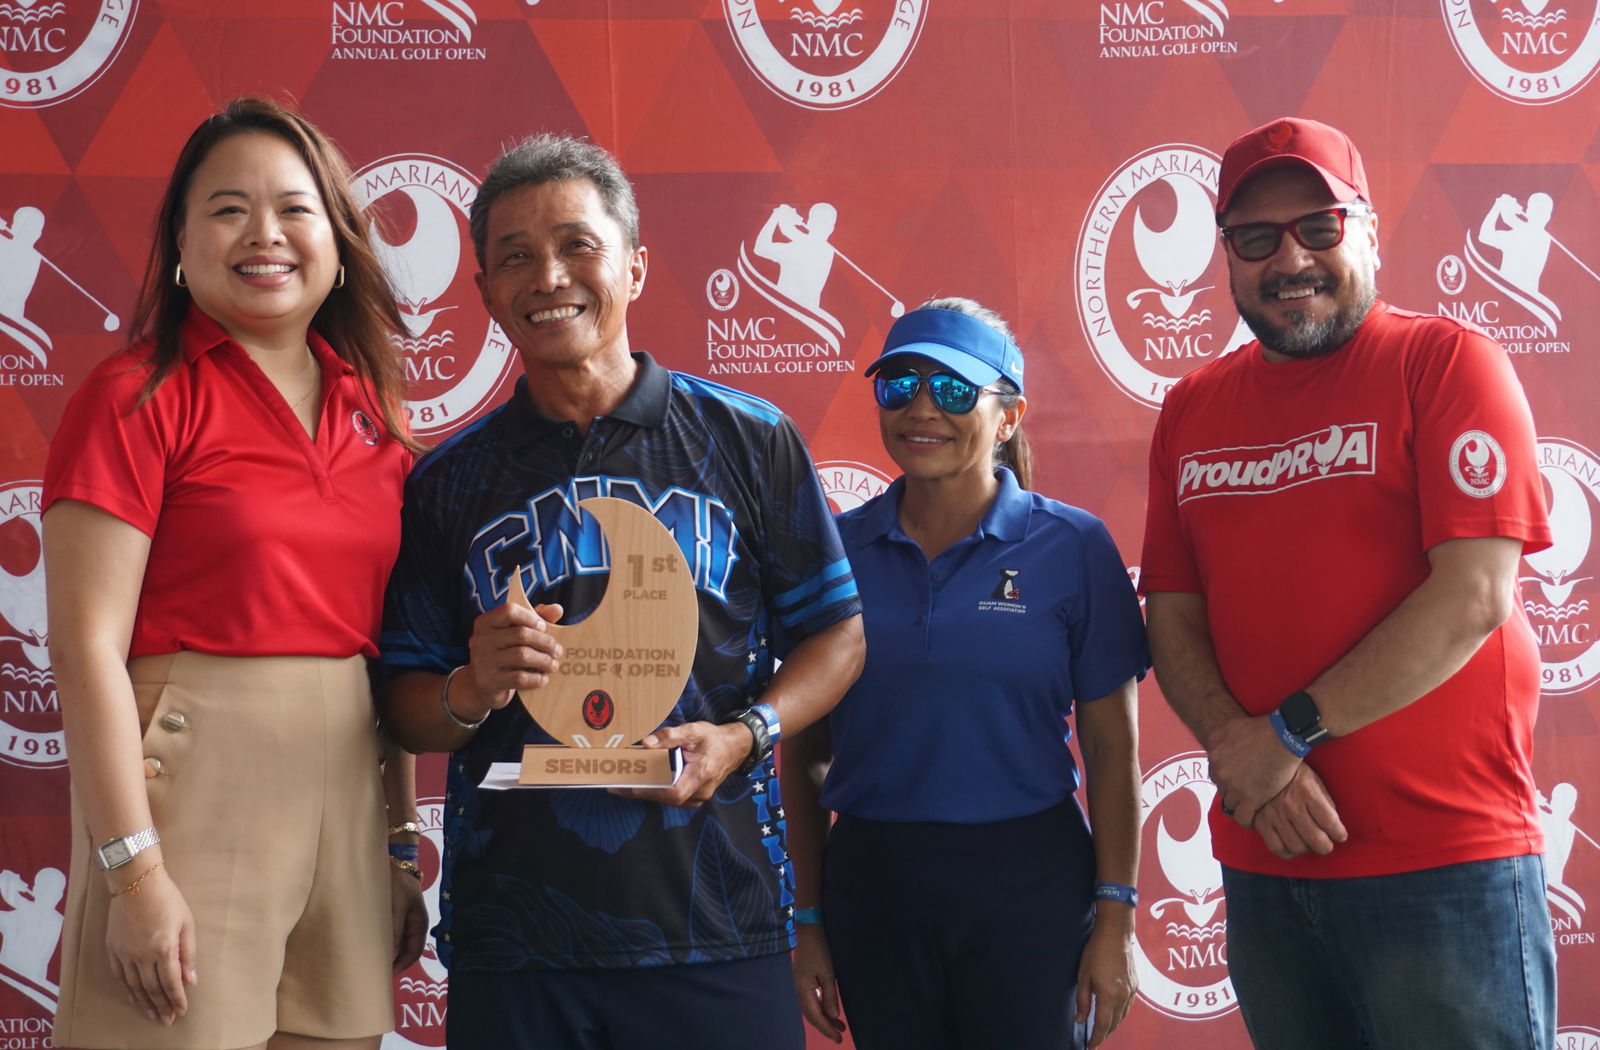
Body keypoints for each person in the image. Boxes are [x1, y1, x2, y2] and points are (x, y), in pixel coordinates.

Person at [376, 133, 865, 1050]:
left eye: (577, 245)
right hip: (518, 939)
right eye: (514, 256)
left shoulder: (750, 440)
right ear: (483, 292)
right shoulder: (446, 484)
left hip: (717, 924)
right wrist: (470, 688)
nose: (547, 274)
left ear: (636, 267)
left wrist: (742, 734)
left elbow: (838, 636)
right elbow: (405, 709)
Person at [1140, 116, 1556, 1049]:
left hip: (1443, 868)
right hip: (1265, 868)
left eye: (1317, 228)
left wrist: (1284, 735)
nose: (1289, 259)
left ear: (1367, 229)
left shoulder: (1446, 363)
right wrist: (1244, 755)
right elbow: (1170, 613)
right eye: (1256, 238)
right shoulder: (1192, 408)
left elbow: (1474, 595)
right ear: (1228, 257)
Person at [42, 97, 428, 1048]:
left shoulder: (374, 415)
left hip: (345, 783)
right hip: (191, 788)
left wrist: (396, 844)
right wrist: (135, 871)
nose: (265, 235)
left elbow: (388, 653)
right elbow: (84, 645)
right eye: (226, 209)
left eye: (295, 209)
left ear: (337, 240)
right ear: (179, 240)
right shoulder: (137, 392)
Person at [784, 299, 1146, 1050]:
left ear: (1007, 418)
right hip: (875, 884)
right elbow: (806, 751)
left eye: (953, 390)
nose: (922, 409)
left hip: (1030, 884)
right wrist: (809, 918)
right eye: (900, 386)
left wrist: (1115, 915)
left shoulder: (1073, 545)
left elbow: (1114, 750)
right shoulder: (834, 551)